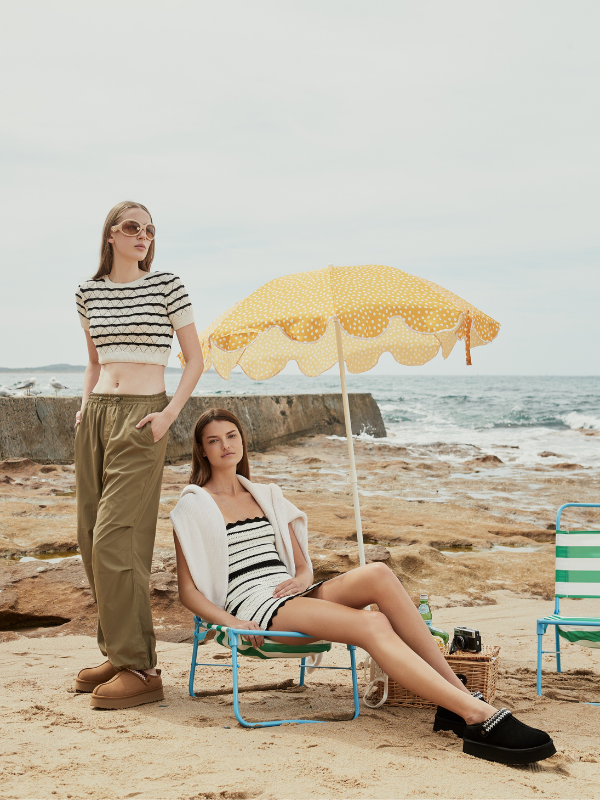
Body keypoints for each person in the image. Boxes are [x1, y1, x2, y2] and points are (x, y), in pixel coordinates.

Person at [170, 408, 556, 765]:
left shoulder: (266, 495)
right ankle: (476, 714)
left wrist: (300, 580)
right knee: (373, 624)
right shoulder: (194, 507)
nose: (225, 446)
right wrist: (231, 622)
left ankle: (457, 697)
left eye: (231, 436)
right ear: (202, 451)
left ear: (242, 440)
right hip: (255, 607)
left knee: (378, 574)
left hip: (289, 592)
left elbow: (303, 569)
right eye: (214, 440)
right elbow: (188, 591)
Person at [73, 200, 204, 709]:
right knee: (90, 536)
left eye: (149, 229)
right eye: (133, 227)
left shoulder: (167, 285)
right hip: (96, 415)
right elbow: (93, 362)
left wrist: (168, 415)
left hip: (144, 416)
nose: (143, 235)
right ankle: (117, 652)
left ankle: (142, 669)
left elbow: (194, 360)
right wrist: (84, 407)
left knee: (116, 539)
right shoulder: (88, 292)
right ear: (110, 234)